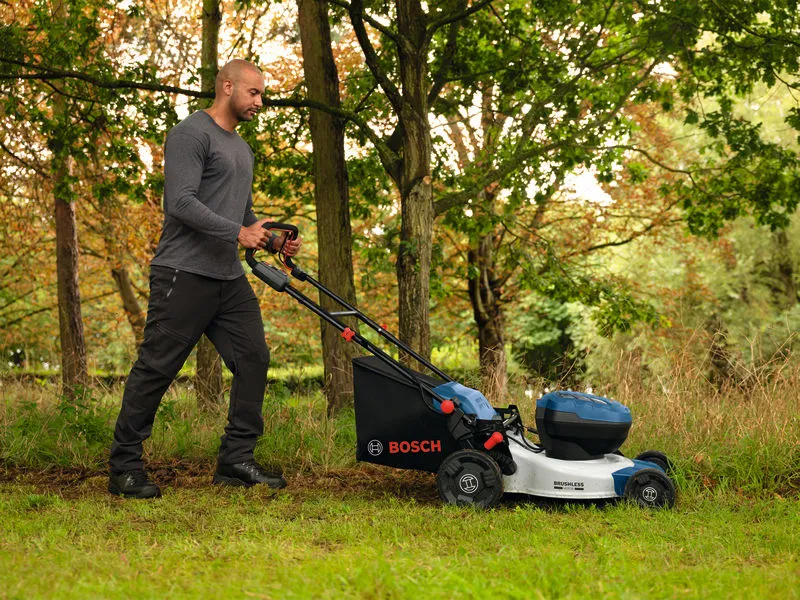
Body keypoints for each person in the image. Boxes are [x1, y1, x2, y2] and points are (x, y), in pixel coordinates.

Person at [108, 59, 301, 499]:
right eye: (253, 93)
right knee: (157, 368)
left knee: (253, 358)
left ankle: (236, 459)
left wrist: (270, 240)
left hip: (227, 277)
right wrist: (239, 232)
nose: (260, 101)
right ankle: (124, 467)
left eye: (262, 94)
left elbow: (242, 215)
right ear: (228, 87)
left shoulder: (242, 149)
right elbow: (181, 203)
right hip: (183, 272)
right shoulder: (190, 134)